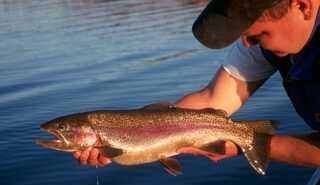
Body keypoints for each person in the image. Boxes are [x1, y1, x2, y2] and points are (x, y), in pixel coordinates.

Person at [73, 0, 320, 169]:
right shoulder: (265, 40)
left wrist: (249, 142)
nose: (246, 45)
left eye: (258, 35)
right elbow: (212, 99)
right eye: (243, 34)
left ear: (301, 5)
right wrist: (133, 136)